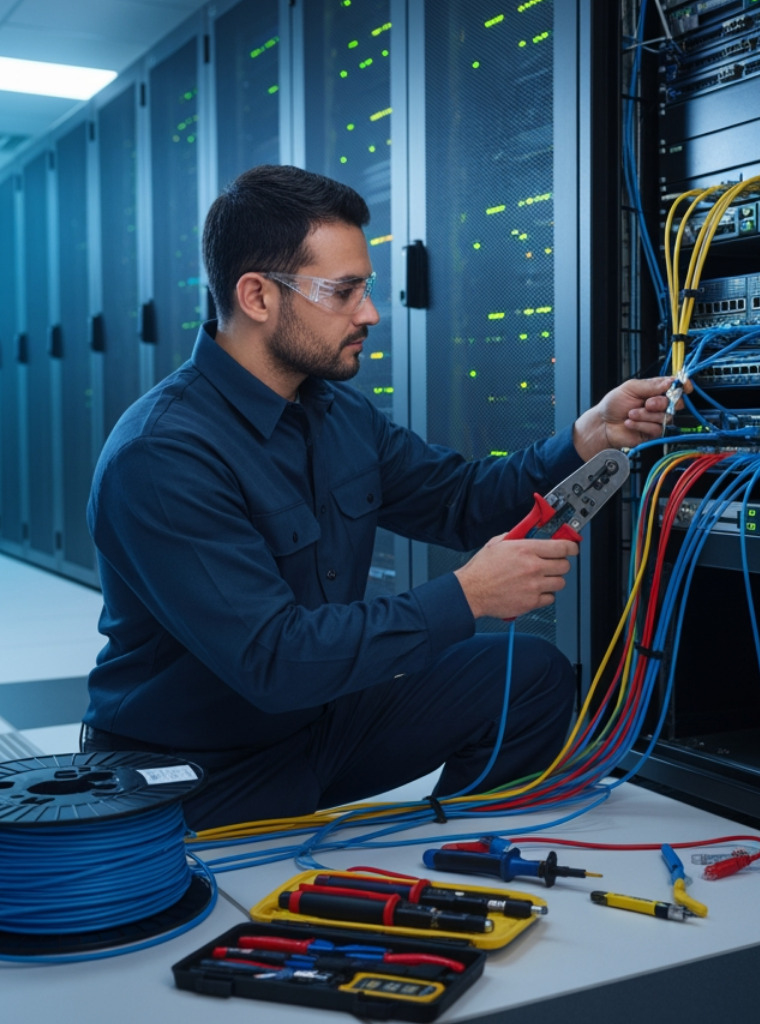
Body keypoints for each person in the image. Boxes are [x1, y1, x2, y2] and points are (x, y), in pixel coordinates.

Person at [82, 164, 675, 830]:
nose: (370, 313)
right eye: (344, 291)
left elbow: (462, 499)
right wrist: (470, 595)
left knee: (530, 675)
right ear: (256, 296)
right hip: (196, 766)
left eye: (365, 287)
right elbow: (273, 658)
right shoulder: (163, 455)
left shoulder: (337, 414)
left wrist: (587, 436)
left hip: (316, 723)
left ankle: (468, 849)